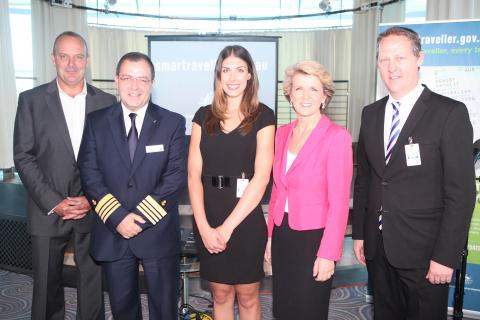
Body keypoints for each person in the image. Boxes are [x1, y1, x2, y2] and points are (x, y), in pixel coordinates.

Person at [352, 26, 476, 320]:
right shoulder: (371, 113)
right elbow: (365, 181)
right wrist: (359, 234)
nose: (391, 67)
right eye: (384, 59)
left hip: (426, 253)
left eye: (400, 57)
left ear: (419, 58)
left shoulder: (449, 113)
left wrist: (445, 257)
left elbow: (461, 194)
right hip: (378, 247)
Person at [13, 31, 116, 320]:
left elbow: (113, 160)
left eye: (78, 56)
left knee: (93, 283)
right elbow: (23, 155)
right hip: (46, 209)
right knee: (46, 286)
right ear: (53, 59)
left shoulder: (107, 103)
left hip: (92, 209)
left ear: (88, 60)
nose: (71, 63)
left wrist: (91, 199)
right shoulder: (30, 100)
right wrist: (54, 201)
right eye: (64, 56)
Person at [77, 52, 186, 320]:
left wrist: (138, 219)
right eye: (127, 77)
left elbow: (174, 177)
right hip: (114, 232)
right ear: (117, 80)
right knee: (123, 309)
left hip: (157, 232)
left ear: (152, 83)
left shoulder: (172, 123)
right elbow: (89, 174)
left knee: (164, 310)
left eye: (142, 79)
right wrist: (118, 218)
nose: (134, 86)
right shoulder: (96, 122)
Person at [188, 45, 275, 320]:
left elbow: (261, 179)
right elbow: (193, 175)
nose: (233, 77)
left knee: (248, 297)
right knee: (220, 295)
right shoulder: (203, 115)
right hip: (208, 214)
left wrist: (225, 230)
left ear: (250, 74)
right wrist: (204, 228)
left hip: (245, 218)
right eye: (226, 70)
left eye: (239, 70)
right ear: (218, 75)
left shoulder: (264, 116)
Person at [264, 60, 353, 319]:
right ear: (289, 94)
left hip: (315, 238)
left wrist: (328, 253)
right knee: (283, 307)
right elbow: (278, 191)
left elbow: (338, 203)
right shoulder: (281, 134)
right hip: (283, 234)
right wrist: (270, 237)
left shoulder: (337, 137)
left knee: (309, 309)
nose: (305, 96)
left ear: (325, 97)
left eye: (314, 89)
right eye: (299, 88)